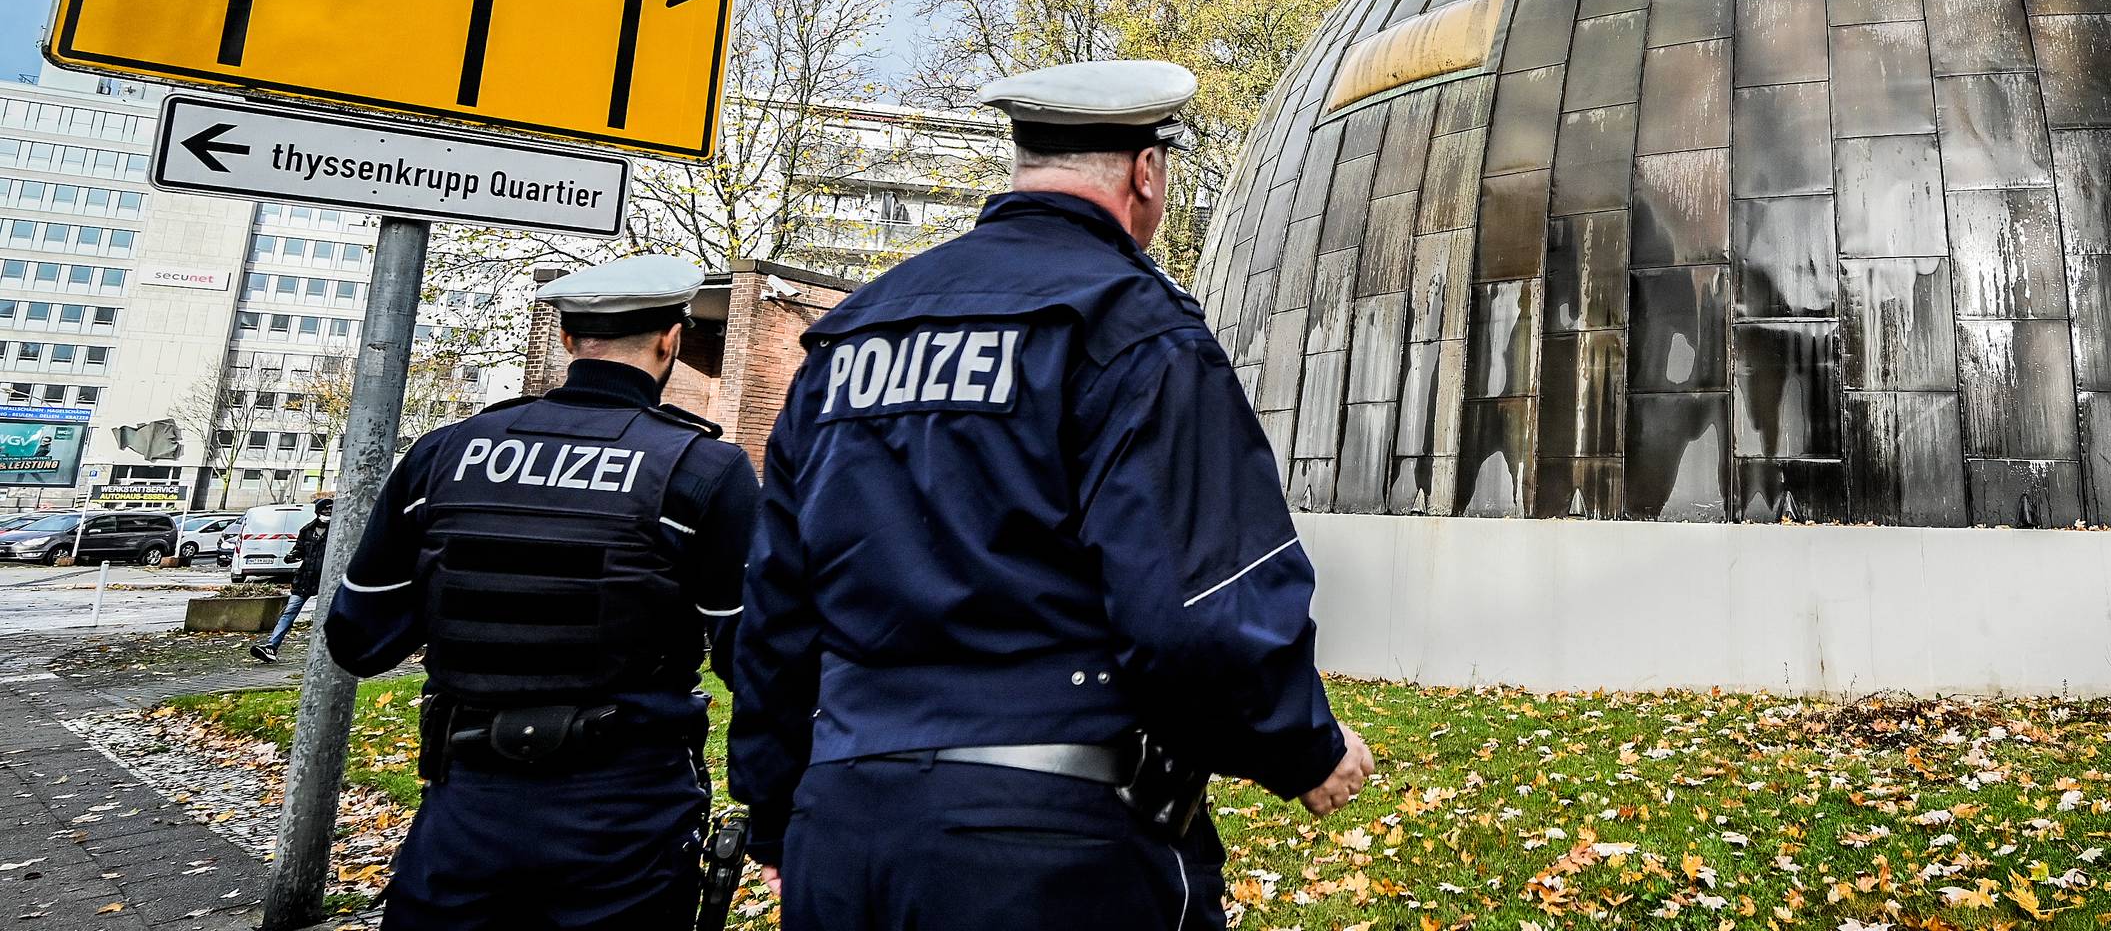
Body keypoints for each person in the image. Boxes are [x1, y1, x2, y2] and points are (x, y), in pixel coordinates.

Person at [729, 59, 1375, 931]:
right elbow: (1198, 612)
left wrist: (777, 810)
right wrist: (1302, 747)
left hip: (845, 833)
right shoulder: (1133, 328)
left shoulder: (852, 336)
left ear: (1023, 162)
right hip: (1053, 849)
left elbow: (776, 611)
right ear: (1146, 173)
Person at [325, 254, 760, 930]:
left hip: (466, 807)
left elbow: (359, 638)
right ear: (671, 340)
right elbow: (752, 657)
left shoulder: (444, 454)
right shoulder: (703, 468)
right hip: (624, 815)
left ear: (567, 339)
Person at [247, 497, 331, 662]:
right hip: (305, 579)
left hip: (327, 580)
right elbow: (299, 549)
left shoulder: (337, 530)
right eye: (325, 510)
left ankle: (329, 651)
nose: (328, 513)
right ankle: (271, 647)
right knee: (289, 613)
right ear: (318, 512)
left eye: (330, 510)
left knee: (329, 614)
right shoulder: (307, 530)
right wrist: (293, 555)